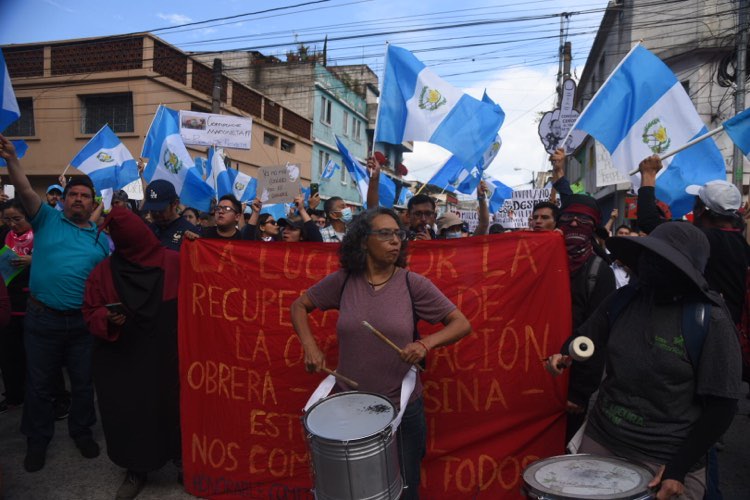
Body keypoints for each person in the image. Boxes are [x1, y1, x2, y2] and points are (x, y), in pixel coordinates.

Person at [546, 222, 742, 500]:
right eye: (648, 257)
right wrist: (564, 355)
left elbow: (723, 406)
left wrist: (678, 468)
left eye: (662, 261)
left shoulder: (709, 321)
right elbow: (584, 339)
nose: (650, 266)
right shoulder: (623, 300)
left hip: (664, 458)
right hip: (603, 438)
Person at [290, 208, 471, 499]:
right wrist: (310, 347)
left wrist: (425, 344)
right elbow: (299, 306)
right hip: (349, 407)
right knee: (354, 489)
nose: (395, 241)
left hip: (401, 408)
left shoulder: (413, 284)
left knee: (405, 487)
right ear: (363, 241)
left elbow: (461, 324)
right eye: (385, 234)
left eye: (398, 234)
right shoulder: (345, 281)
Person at [0, 134, 109, 472]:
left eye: (84, 196)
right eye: (73, 194)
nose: (78, 199)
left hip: (81, 324)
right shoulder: (46, 219)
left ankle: (82, 432)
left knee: (82, 382)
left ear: (93, 203)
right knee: (40, 383)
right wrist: (12, 160)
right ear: (64, 200)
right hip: (42, 319)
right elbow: (26, 190)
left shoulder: (101, 239)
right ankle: (37, 439)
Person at [82, 207, 181, 500]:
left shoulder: (176, 263)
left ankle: (185, 461)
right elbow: (89, 311)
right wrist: (106, 318)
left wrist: (201, 247)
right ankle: (135, 468)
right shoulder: (103, 272)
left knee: (175, 408)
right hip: (124, 359)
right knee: (130, 413)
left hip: (168, 357)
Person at [556, 194, 616, 443]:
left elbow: (598, 337)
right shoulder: (544, 262)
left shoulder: (599, 271)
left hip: (572, 381)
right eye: (567, 218)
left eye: (582, 219)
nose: (572, 225)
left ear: (593, 227)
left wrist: (580, 393)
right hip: (537, 374)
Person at [0, 199, 33, 414]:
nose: (12, 224)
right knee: (9, 355)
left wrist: (33, 260)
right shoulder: (3, 234)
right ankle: (13, 395)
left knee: (34, 355)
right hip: (7, 302)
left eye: (17, 219)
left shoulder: (40, 235)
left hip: (33, 303)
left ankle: (42, 395)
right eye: (7, 219)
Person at [142, 179, 198, 251]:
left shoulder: (190, 233)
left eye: (160, 210)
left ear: (175, 203)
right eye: (152, 209)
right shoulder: (148, 230)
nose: (156, 213)